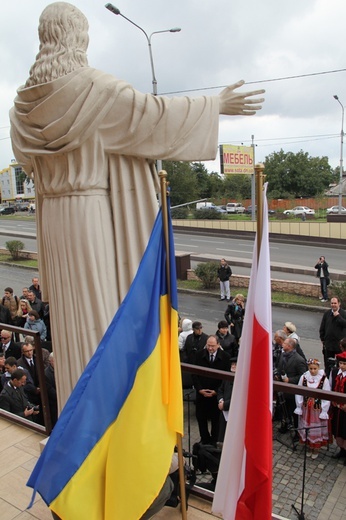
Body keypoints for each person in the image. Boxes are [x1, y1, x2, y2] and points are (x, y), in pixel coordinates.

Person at [9, 2, 264, 409]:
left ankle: (77, 416)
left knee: (71, 326)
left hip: (53, 219)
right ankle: (100, 424)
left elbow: (27, 161)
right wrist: (214, 104)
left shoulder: (22, 108)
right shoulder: (92, 89)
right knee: (100, 320)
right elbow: (154, 116)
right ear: (77, 38)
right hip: (90, 218)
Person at [192, 335, 231, 444]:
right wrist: (199, 389)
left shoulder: (225, 357)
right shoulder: (199, 355)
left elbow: (225, 378)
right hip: (202, 394)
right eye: (208, 345)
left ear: (218, 345)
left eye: (213, 346)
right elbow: (194, 374)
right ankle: (204, 439)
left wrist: (216, 391)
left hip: (216, 395)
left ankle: (214, 440)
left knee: (216, 420)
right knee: (201, 418)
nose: (210, 348)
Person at [294, 359, 331, 459]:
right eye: (311, 368)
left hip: (317, 410)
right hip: (306, 409)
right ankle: (309, 446)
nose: (313, 371)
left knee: (316, 428)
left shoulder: (323, 379)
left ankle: (316, 448)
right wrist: (299, 405)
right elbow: (299, 391)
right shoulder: (304, 377)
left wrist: (324, 410)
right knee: (307, 427)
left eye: (315, 369)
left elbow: (326, 395)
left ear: (318, 368)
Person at [275, 337, 307, 433]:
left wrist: (290, 380)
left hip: (292, 391)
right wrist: (278, 375)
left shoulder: (299, 360)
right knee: (283, 409)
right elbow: (279, 367)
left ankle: (297, 431)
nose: (282, 344)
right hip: (282, 389)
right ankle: (285, 425)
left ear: (289, 346)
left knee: (293, 412)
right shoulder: (282, 355)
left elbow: (303, 376)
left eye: (284, 343)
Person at [319, 297, 346, 376]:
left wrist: (338, 316)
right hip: (329, 344)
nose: (333, 305)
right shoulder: (327, 314)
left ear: (339, 304)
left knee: (339, 365)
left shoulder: (343, 313)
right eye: (332, 303)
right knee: (328, 365)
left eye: (335, 303)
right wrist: (322, 338)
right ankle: (327, 379)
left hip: (339, 346)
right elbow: (322, 327)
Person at [217, 357, 237, 442]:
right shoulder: (227, 377)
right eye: (232, 364)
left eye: (235, 364)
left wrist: (224, 405)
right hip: (224, 411)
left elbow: (237, 398)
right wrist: (221, 400)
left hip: (233, 412)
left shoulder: (241, 380)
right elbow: (220, 390)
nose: (233, 366)